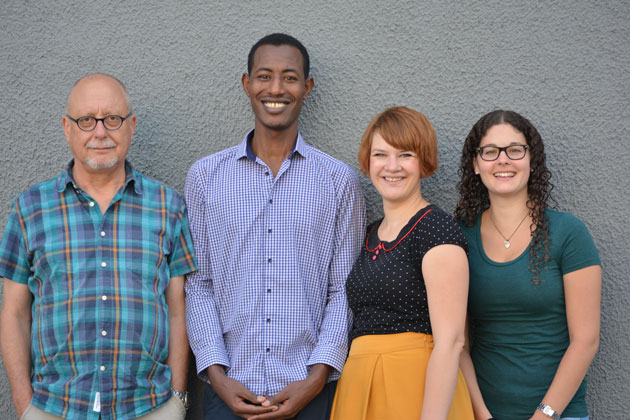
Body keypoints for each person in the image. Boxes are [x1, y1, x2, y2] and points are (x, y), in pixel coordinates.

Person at [184, 33, 365, 420]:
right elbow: (199, 283)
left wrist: (317, 378)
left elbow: (343, 289)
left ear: (307, 87)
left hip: (310, 392)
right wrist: (216, 375)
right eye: (264, 76)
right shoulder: (205, 176)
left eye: (290, 77)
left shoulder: (338, 180)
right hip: (229, 389)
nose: (276, 89)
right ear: (247, 84)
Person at [0, 73, 197, 420]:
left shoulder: (168, 205)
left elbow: (178, 307)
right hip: (54, 408)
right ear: (67, 127)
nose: (101, 132)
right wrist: (24, 405)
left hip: (149, 407)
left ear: (132, 126)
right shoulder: (29, 208)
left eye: (113, 119)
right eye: (87, 120)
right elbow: (15, 312)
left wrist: (177, 400)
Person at [455, 110, 601, 420]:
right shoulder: (460, 239)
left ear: (531, 161)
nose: (503, 160)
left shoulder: (569, 233)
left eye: (515, 150)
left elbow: (585, 340)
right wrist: (481, 414)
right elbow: (458, 344)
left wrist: (544, 415)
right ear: (476, 164)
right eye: (490, 152)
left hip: (560, 413)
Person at [330, 106, 474, 420]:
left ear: (424, 161)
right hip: (358, 387)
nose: (392, 166)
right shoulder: (368, 234)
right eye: (381, 155)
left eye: (406, 154)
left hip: (417, 389)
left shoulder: (436, 230)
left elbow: (451, 342)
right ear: (368, 162)